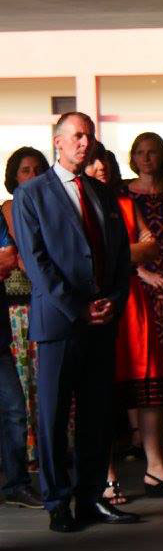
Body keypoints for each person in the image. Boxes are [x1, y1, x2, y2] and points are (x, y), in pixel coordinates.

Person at [12, 112, 135, 532]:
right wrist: (79, 307)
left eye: (90, 136)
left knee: (98, 414)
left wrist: (112, 299)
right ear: (58, 141)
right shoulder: (32, 195)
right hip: (61, 320)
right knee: (54, 414)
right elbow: (36, 262)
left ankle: (90, 496)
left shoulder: (102, 193)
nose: (85, 143)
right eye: (78, 136)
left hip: (103, 318)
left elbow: (120, 256)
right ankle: (57, 501)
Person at [87, 142, 163, 501]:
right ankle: (107, 474)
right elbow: (84, 255)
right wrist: (125, 257)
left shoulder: (124, 203)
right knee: (102, 391)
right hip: (99, 302)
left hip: (133, 302)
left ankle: (156, 468)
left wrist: (113, 256)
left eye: (104, 162)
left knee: (149, 384)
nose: (99, 167)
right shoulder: (76, 207)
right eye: (91, 162)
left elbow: (151, 246)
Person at [122, 132, 163, 452]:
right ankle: (137, 433)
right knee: (137, 359)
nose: (146, 158)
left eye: (152, 152)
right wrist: (141, 273)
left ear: (162, 157)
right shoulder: (122, 194)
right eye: (140, 152)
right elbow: (118, 245)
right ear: (132, 158)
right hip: (137, 282)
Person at [2, 147, 49, 483]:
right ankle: (23, 464)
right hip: (18, 306)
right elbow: (19, 257)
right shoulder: (9, 207)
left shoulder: (51, 206)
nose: (31, 176)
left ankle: (37, 462)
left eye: (37, 169)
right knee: (22, 390)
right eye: (24, 170)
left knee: (37, 389)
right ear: (13, 177)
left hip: (43, 302)